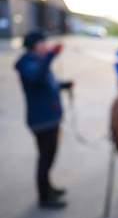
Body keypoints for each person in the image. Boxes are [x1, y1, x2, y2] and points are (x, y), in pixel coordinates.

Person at [15, 30, 73, 209]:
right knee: (45, 158)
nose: (47, 45)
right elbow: (36, 76)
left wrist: (64, 85)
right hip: (42, 120)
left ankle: (48, 188)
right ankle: (44, 198)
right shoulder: (27, 63)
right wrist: (51, 55)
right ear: (35, 45)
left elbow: (48, 84)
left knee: (49, 156)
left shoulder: (39, 60)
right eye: (44, 42)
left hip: (50, 117)